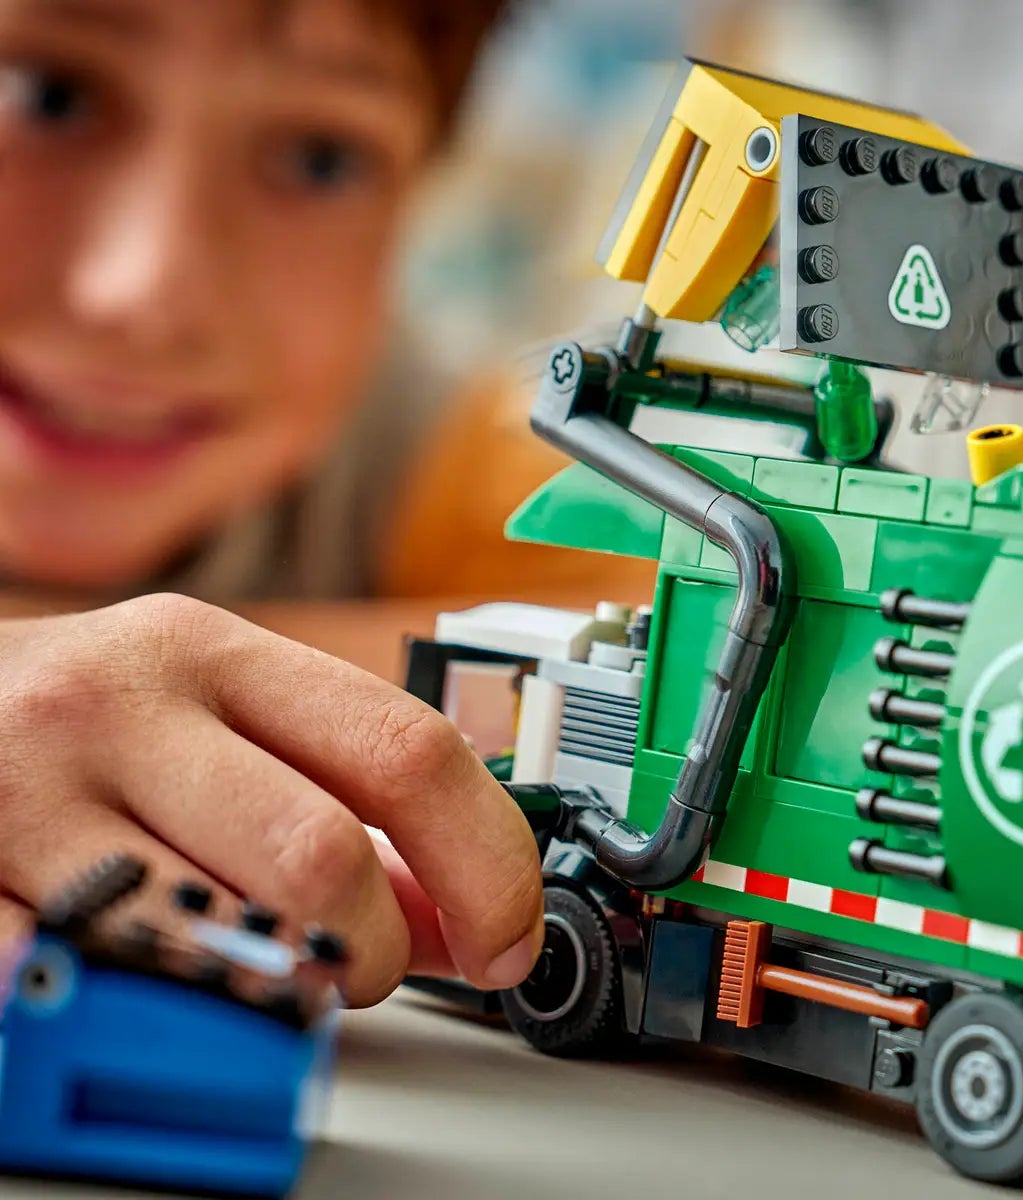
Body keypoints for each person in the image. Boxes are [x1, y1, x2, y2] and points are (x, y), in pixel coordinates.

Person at [0, 0, 651, 1005]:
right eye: (48, 96)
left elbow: (710, 669)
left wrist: (95, 688)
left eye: (319, 158)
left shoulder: (448, 460)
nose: (144, 296)